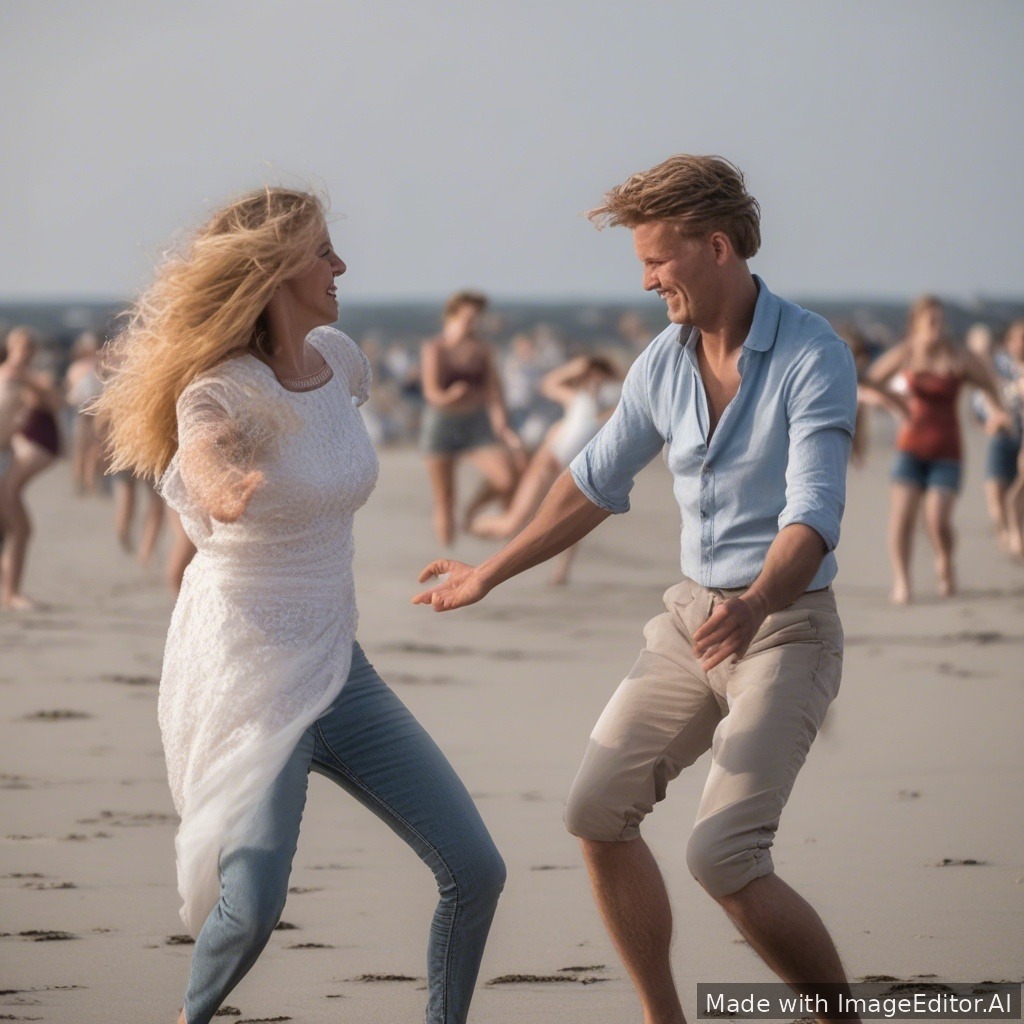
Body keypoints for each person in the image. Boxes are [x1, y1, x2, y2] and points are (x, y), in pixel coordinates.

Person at [415, 155, 864, 1024]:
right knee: (595, 812)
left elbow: (812, 517)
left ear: (717, 247)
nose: (648, 280)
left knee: (723, 857)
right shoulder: (662, 362)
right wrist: (488, 571)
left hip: (785, 624)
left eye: (657, 260)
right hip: (690, 619)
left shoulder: (813, 355)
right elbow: (590, 483)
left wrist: (755, 605)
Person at [92, 187, 504, 1024]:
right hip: (249, 675)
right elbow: (203, 450)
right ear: (276, 269)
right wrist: (222, 486)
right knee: (252, 909)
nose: (340, 265)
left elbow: (327, 431)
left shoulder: (340, 360)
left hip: (339, 665)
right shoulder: (221, 390)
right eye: (323, 251)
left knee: (476, 871)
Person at [866, 297, 1009, 603]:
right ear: (916, 323)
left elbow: (988, 383)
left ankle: (945, 560)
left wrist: (997, 413)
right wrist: (891, 401)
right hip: (909, 448)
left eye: (940, 320)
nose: (937, 326)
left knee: (937, 519)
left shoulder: (958, 355)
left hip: (947, 450)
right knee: (902, 518)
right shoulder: (906, 352)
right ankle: (902, 582)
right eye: (931, 320)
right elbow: (868, 380)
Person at [471, 354, 621, 584]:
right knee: (512, 524)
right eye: (592, 375)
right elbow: (547, 384)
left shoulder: (613, 409)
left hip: (572, 474)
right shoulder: (579, 400)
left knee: (571, 523)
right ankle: (473, 525)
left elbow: (634, 388)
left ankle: (562, 572)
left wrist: (613, 374)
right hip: (547, 467)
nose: (596, 380)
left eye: (601, 376)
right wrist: (575, 367)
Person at [420, 291, 522, 544]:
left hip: (476, 423)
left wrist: (502, 424)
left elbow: (494, 391)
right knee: (445, 498)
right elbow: (431, 393)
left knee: (506, 478)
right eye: (469, 317)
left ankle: (472, 512)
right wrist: (450, 397)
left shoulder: (482, 349)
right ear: (452, 316)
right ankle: (445, 557)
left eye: (477, 317)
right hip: (442, 423)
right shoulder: (436, 347)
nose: (474, 322)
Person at [0, 327, 62, 610]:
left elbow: (55, 403)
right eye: (20, 346)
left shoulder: (27, 380)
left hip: (5, 457)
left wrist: (31, 382)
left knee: (15, 528)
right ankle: (12, 594)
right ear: (11, 346)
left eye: (29, 347)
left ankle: (11, 592)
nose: (24, 351)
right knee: (19, 528)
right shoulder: (7, 375)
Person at [976, 320, 1023, 553]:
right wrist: (988, 423)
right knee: (995, 493)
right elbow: (978, 405)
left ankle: (1016, 532)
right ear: (1008, 342)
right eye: (1019, 339)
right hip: (1002, 437)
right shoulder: (997, 366)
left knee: (1017, 492)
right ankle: (1004, 532)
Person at [64, 331, 105, 496]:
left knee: (95, 449)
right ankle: (81, 481)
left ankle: (89, 481)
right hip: (82, 413)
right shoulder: (79, 367)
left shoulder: (99, 365)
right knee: (82, 449)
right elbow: (71, 393)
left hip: (96, 412)